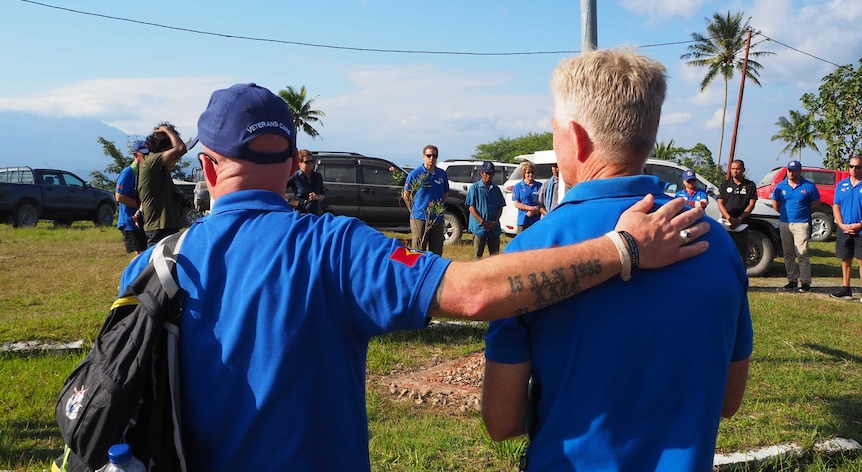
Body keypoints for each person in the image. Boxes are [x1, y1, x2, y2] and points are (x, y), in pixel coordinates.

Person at [117, 82, 710, 471]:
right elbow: (474, 292)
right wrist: (624, 248)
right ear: (294, 160)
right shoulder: (332, 245)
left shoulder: (151, 267)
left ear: (207, 165)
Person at [482, 49, 751, 471]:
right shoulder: (715, 243)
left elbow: (501, 421)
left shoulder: (530, 252)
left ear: (575, 137)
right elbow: (729, 402)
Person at [772, 160, 820, 292]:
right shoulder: (780, 187)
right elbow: (776, 204)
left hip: (802, 223)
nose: (791, 173)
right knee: (788, 253)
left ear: (800, 171)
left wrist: (804, 213)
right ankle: (792, 280)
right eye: (789, 170)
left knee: (802, 253)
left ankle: (805, 282)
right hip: (785, 223)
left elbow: (816, 204)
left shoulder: (809, 186)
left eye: (794, 170)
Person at [139, 123, 188, 246]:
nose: (177, 159)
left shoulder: (161, 169)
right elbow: (180, 149)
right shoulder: (151, 162)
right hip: (158, 228)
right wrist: (168, 130)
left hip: (167, 227)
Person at [402, 144, 449, 255]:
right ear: (423, 156)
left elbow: (445, 193)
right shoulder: (415, 174)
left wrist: (439, 208)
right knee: (418, 250)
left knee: (436, 250)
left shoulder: (442, 174)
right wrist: (414, 210)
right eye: (429, 155)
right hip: (419, 217)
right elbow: (406, 195)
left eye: (434, 156)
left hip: (436, 217)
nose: (431, 158)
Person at [830, 155, 862, 299]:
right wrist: (841, 225)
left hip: (860, 229)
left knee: (861, 260)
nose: (854, 169)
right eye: (851, 166)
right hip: (844, 229)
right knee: (846, 259)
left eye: (857, 167)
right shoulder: (842, 185)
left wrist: (859, 225)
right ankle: (846, 289)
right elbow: (836, 206)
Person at [717, 159, 758, 264]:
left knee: (741, 254)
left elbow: (751, 204)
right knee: (724, 251)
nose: (735, 171)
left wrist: (739, 219)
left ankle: (740, 277)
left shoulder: (750, 185)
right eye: (733, 169)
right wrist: (729, 218)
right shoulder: (725, 184)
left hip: (742, 224)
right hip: (726, 223)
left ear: (743, 170)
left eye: (737, 169)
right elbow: (720, 203)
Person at [465, 161, 506, 258]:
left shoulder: (496, 189)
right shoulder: (474, 188)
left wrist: (495, 221)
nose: (488, 175)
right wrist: (483, 222)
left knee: (495, 257)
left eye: (491, 173)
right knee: (477, 257)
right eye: (486, 173)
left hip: (493, 228)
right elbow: (471, 207)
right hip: (479, 228)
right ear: (482, 173)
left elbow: (500, 206)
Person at [114, 140, 148, 255]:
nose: (147, 157)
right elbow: (119, 196)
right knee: (140, 255)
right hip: (130, 222)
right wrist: (140, 206)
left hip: (142, 222)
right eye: (144, 154)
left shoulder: (145, 171)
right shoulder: (128, 173)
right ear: (135, 155)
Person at [286, 149, 326, 216]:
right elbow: (278, 192)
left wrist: (317, 197)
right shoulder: (295, 177)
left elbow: (323, 194)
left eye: (312, 161)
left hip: (315, 213)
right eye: (307, 162)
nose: (310, 164)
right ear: (299, 163)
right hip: (301, 212)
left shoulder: (317, 176)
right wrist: (291, 201)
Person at [512, 161, 544, 232]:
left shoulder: (539, 185)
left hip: (536, 220)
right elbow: (516, 204)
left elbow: (543, 202)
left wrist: (535, 209)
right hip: (523, 220)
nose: (530, 174)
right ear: (523, 173)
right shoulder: (518, 186)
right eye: (528, 172)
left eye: (532, 172)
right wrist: (530, 208)